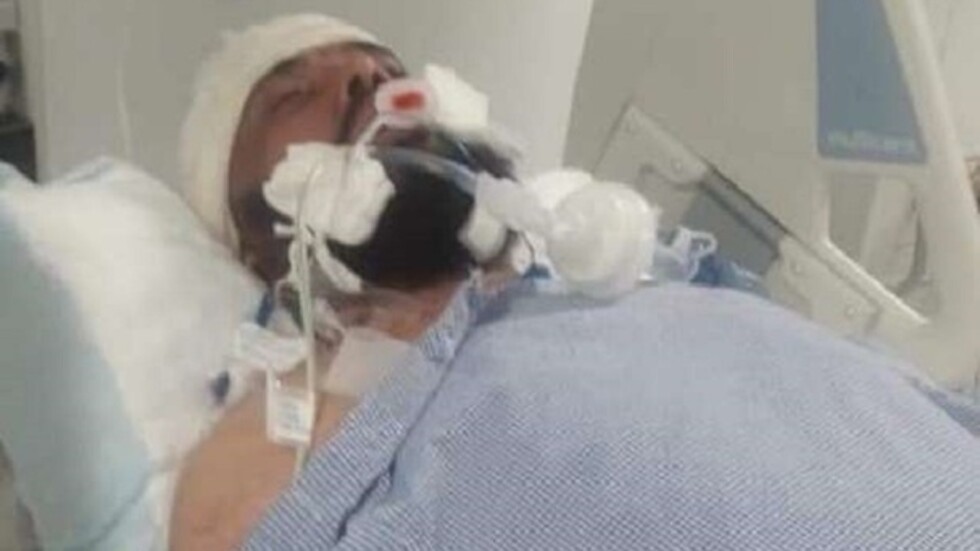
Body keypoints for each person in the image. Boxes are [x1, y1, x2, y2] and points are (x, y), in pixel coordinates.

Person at [171, 14, 980, 551]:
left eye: (383, 67)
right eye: (292, 94)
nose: (362, 78)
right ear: (259, 248)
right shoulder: (300, 421)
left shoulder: (639, 276)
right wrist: (347, 347)